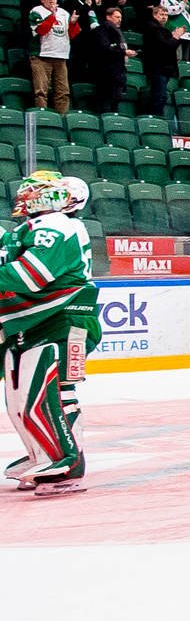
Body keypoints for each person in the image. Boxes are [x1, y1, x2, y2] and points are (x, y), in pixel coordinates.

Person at [0, 174, 100, 497]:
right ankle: (50, 455)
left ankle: (64, 460)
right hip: (58, 320)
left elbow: (31, 276)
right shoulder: (42, 227)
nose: (25, 194)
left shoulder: (57, 225)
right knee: (55, 390)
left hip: (65, 319)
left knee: (39, 389)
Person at [28, 0, 78, 112]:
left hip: (61, 57)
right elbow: (41, 30)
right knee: (41, 91)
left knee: (63, 92)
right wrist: (52, 16)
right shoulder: (36, 11)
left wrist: (72, 23)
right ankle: (42, 117)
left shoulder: (64, 13)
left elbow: (72, 35)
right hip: (41, 56)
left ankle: (62, 120)